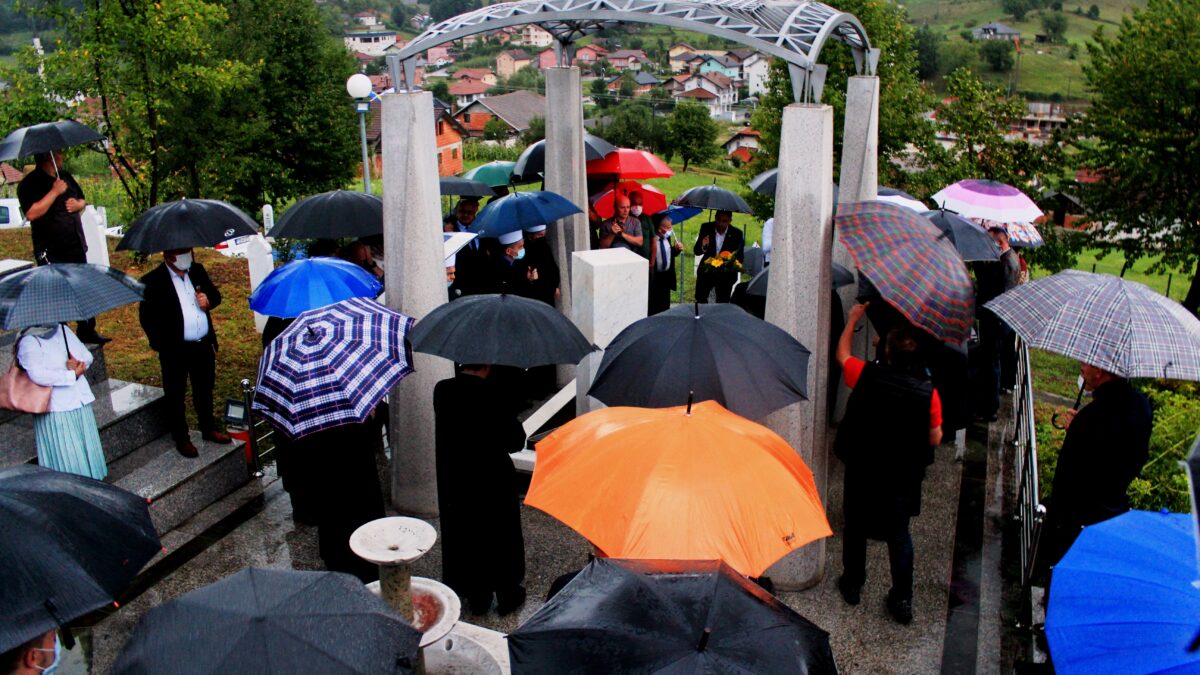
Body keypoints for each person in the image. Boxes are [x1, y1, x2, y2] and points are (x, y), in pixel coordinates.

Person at [834, 303, 942, 625]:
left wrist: (853, 319)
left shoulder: (866, 375)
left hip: (864, 466)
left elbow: (842, 354)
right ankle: (902, 598)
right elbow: (935, 436)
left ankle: (853, 583)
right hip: (902, 474)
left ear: (888, 353)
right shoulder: (928, 393)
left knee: (855, 524)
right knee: (899, 534)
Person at [1038, 362, 1152, 572]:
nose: (1081, 367)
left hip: (1078, 518)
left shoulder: (1095, 416)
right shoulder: (1140, 404)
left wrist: (1076, 431)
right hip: (1113, 510)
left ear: (1100, 371)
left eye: (1087, 363)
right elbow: (1136, 457)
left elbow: (1074, 473)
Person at [433, 363, 527, 615]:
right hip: (493, 478)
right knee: (500, 532)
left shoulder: (442, 390)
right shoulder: (496, 393)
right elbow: (516, 442)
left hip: (457, 476)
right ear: (487, 364)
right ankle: (507, 592)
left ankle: (477, 595)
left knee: (465, 532)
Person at [138, 248, 232, 458]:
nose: (187, 255)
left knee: (205, 388)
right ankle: (181, 437)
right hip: (175, 350)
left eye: (189, 250)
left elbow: (216, 295)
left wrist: (208, 301)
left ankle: (208, 428)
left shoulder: (197, 270)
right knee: (176, 394)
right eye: (182, 252)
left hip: (202, 345)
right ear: (168, 255)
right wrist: (162, 345)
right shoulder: (153, 281)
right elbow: (147, 319)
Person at [16, 150, 108, 344]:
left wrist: (78, 204)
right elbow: (32, 213)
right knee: (57, 293)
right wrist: (54, 192)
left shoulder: (64, 176)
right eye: (59, 154)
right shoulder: (30, 184)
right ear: (48, 158)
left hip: (74, 245)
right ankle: (61, 336)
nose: (63, 157)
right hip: (51, 250)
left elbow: (82, 199)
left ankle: (87, 329)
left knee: (82, 288)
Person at [288, 417, 387, 582]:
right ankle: (364, 558)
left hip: (323, 454)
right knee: (359, 504)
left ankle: (338, 556)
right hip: (353, 450)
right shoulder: (348, 405)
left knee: (332, 511)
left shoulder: (308, 415)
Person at [16, 324, 106, 480]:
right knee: (68, 451)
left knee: (85, 446)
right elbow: (38, 375)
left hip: (79, 399)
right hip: (56, 406)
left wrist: (78, 363)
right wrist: (69, 375)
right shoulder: (28, 341)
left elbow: (87, 356)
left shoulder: (62, 330)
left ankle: (93, 482)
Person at [692, 210, 744, 303]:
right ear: (715, 218)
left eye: (724, 221)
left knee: (722, 302)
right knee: (700, 299)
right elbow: (697, 251)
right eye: (718, 220)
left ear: (730, 221)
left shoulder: (737, 234)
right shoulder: (706, 228)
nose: (720, 223)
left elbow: (740, 257)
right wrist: (704, 246)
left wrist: (728, 260)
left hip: (726, 275)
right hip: (706, 272)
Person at [445, 198, 487, 296]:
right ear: (457, 212)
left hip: (481, 285)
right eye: (462, 211)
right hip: (460, 287)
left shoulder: (482, 228)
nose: (465, 215)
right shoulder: (450, 229)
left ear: (476, 211)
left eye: (470, 212)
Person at [647, 212, 683, 315]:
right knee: (654, 309)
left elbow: (668, 254)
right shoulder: (651, 241)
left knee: (665, 308)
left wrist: (676, 250)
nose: (670, 230)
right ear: (659, 228)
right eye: (668, 228)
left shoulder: (667, 238)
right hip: (655, 280)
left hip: (666, 279)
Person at [520, 224, 560, 307]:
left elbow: (552, 268)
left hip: (548, 294)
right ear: (530, 236)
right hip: (533, 296)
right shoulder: (525, 251)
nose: (542, 238)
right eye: (539, 235)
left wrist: (555, 286)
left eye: (543, 235)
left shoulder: (545, 247)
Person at [628, 190, 655, 260]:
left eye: (640, 204)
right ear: (629, 203)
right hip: (630, 258)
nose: (637, 207)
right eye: (634, 203)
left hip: (646, 258)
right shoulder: (625, 219)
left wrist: (652, 259)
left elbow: (653, 240)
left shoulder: (647, 219)